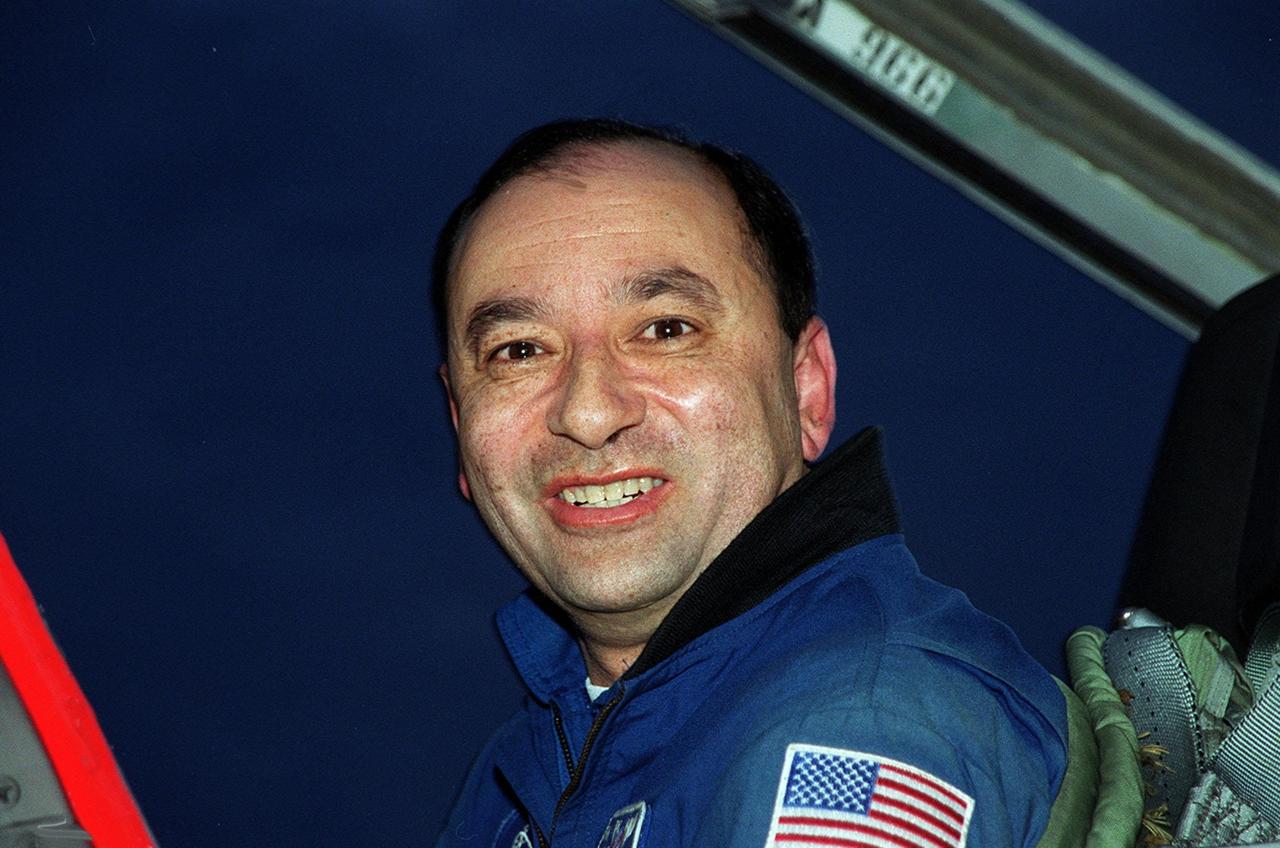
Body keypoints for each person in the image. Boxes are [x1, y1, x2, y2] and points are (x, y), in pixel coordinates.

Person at [432, 118, 1072, 847]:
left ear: (806, 391)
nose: (587, 411)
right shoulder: (516, 779)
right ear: (461, 423)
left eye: (666, 330)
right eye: (518, 350)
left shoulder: (862, 734)